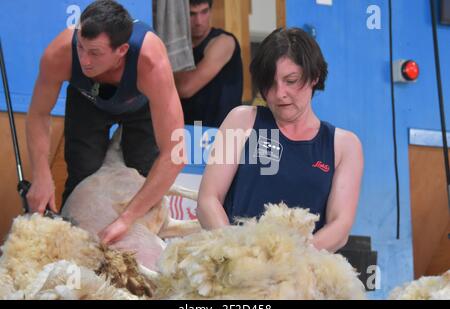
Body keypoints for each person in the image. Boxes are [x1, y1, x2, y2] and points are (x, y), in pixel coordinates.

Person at [25, 0, 185, 245]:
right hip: (86, 100)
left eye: (95, 53)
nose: (84, 60)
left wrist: (127, 218)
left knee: (140, 178)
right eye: (80, 47)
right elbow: (38, 114)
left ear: (121, 51)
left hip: (140, 106)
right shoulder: (59, 54)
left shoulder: (151, 62)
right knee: (81, 176)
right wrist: (41, 173)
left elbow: (175, 153)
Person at [197, 28, 364, 253]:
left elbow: (340, 227)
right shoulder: (242, 121)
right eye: (270, 83)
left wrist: (286, 262)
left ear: (314, 77)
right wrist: (239, 255)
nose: (279, 93)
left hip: (303, 275)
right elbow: (208, 201)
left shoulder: (344, 145)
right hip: (239, 270)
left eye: (291, 80)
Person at [174, 0, 243, 128]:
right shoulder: (181, 46)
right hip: (187, 131)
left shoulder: (223, 41)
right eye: (192, 14)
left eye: (204, 12)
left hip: (220, 134)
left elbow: (185, 88)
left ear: (211, 11)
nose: (199, 21)